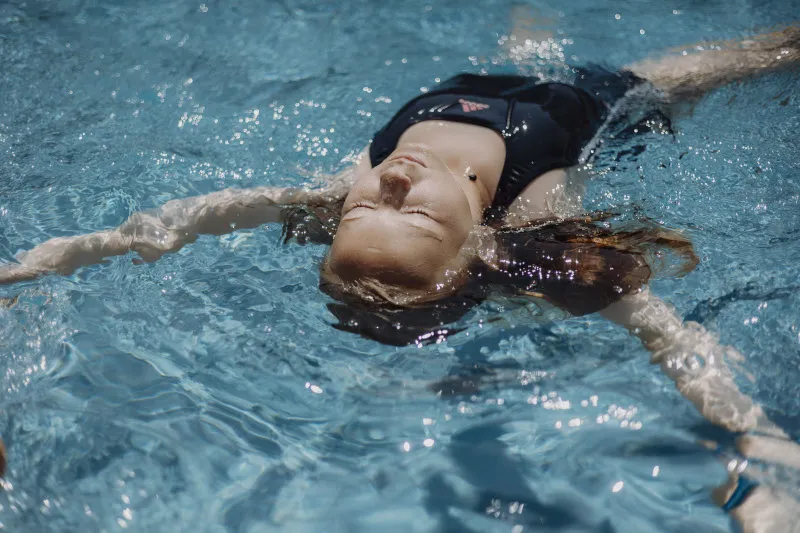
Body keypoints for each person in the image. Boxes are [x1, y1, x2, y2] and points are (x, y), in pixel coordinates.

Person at [0, 20, 798, 530]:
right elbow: (672, 338)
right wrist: (759, 449)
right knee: (715, 69)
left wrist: (55, 257)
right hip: (577, 104)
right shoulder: (531, 223)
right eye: (414, 215)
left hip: (470, 82)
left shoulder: (336, 194)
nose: (388, 183)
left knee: (520, 42)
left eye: (358, 211)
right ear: (480, 245)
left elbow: (185, 218)